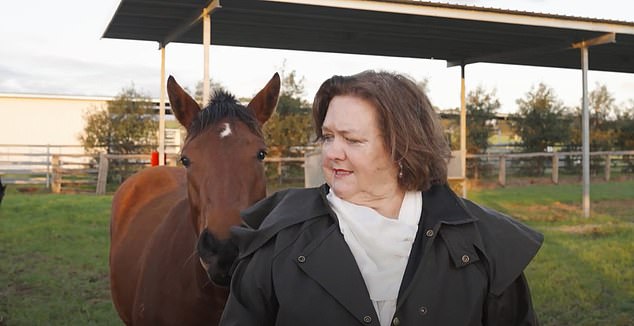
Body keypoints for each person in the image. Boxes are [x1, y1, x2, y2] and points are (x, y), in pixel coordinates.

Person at [220, 70, 543, 326]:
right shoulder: (278, 236)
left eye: (353, 140)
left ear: (403, 148)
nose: (332, 153)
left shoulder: (483, 243)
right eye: (328, 137)